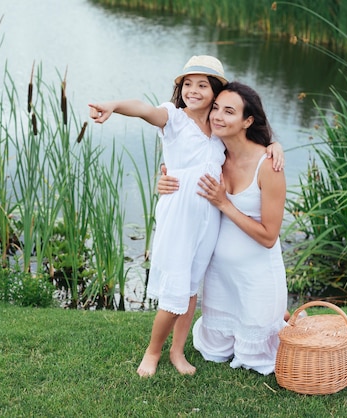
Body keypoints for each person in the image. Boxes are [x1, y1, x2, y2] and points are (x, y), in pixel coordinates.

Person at [88, 56, 283, 377]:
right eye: (187, 84)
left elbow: (247, 137)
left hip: (209, 219)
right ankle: (152, 353)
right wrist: (113, 104)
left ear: (216, 93)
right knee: (175, 290)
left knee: (192, 289)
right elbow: (143, 108)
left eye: (202, 85)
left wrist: (275, 144)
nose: (193, 90)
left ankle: (177, 352)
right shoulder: (174, 119)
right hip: (179, 217)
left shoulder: (218, 128)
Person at [159, 81, 288, 375]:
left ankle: (278, 317)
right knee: (213, 352)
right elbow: (182, 168)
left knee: (257, 359)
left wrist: (225, 203)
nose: (217, 116)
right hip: (219, 277)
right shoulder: (216, 154)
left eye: (229, 112)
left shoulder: (268, 165)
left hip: (256, 276)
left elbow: (269, 237)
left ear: (248, 121)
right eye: (216, 108)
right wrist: (165, 181)